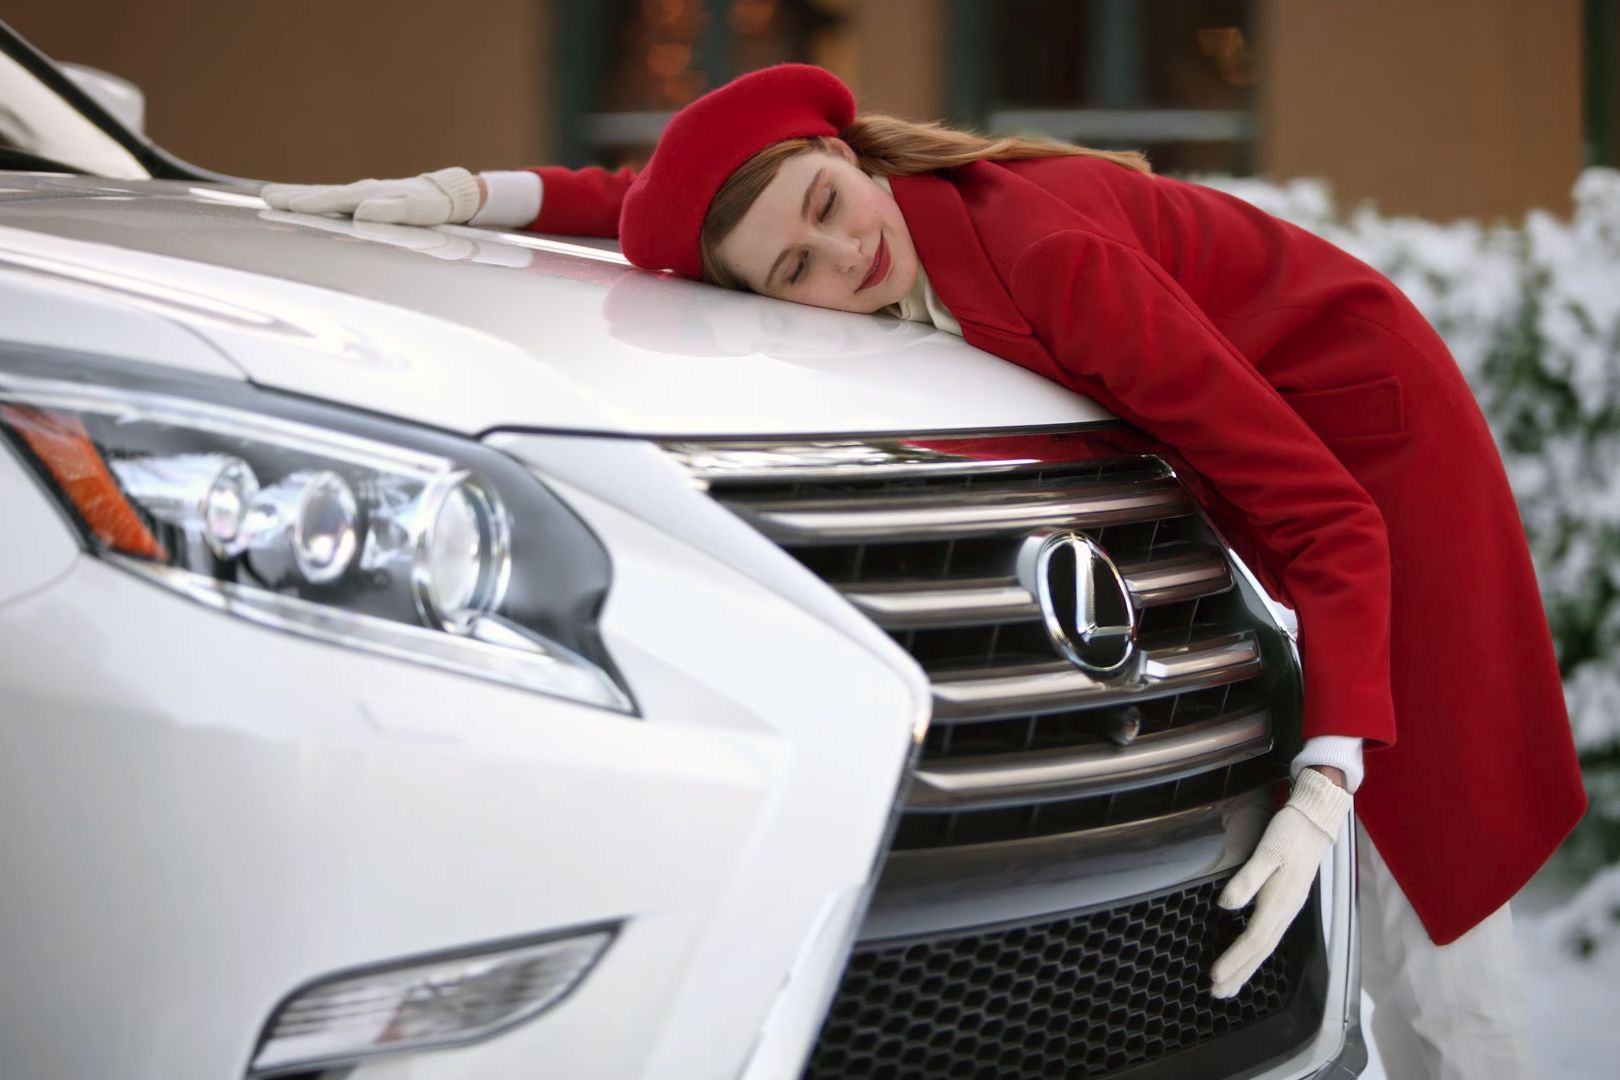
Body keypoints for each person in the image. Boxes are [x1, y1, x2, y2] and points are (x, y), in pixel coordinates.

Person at [262, 63, 1587, 1079]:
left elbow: (1330, 518)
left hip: (1373, 451)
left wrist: (1328, 779)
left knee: (1431, 873)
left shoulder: (1049, 258)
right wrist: (467, 197)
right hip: (1300, 472)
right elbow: (651, 206)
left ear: (845, 156)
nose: (846, 255)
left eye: (829, 207)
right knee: (1378, 864)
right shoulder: (825, 214)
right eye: (796, 268)